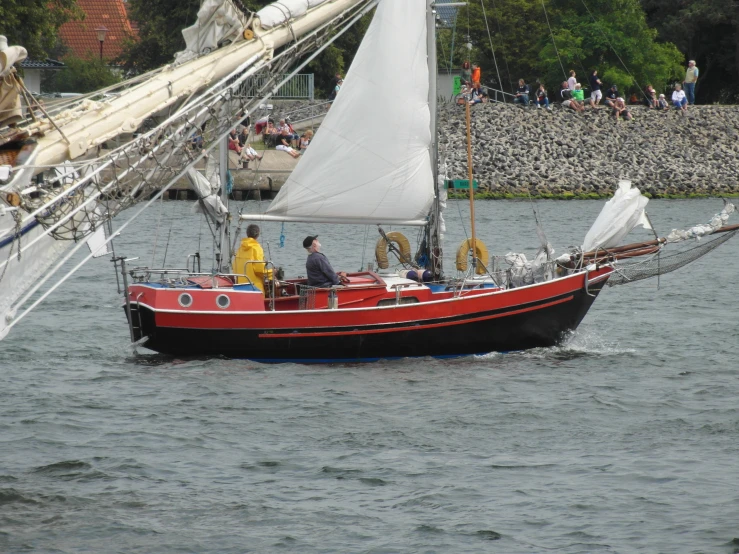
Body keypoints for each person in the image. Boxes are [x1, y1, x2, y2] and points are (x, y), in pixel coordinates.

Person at [235, 224, 273, 294]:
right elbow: (260, 270)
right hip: (254, 289)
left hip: (240, 289)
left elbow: (235, 269)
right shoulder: (256, 248)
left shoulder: (240, 249)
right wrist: (272, 273)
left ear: (247, 234)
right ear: (258, 234)